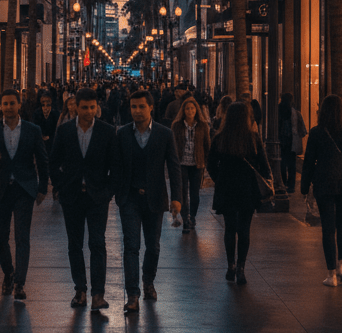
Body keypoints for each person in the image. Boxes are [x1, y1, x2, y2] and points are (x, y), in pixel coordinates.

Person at [49, 88, 119, 310]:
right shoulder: (65, 131)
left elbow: (115, 166)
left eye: (92, 107)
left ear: (97, 107)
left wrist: (108, 192)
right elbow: (54, 162)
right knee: (74, 244)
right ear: (75, 107)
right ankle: (80, 289)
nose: (89, 111)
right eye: (84, 107)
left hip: (97, 196)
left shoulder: (108, 132)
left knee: (97, 243)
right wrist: (61, 186)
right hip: (72, 196)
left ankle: (98, 293)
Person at [115, 90, 181, 313]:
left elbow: (174, 167)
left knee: (153, 246)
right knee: (131, 246)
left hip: (155, 198)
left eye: (141, 107)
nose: (137, 111)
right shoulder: (122, 134)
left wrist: (177, 198)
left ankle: (148, 281)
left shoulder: (164, 134)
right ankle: (132, 293)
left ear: (151, 107)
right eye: (133, 107)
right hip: (130, 198)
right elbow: (115, 166)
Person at [0, 89, 49, 300]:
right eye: (5, 104)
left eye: (12, 103)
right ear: (0, 106)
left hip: (23, 190)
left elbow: (43, 160)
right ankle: (8, 272)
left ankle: (20, 282)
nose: (8, 107)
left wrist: (42, 188)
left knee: (22, 237)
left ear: (19, 105)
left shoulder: (32, 130)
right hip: (0, 190)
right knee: (0, 238)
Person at [301, 95, 342, 287]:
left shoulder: (316, 133)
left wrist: (304, 187)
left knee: (328, 228)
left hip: (324, 183)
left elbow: (309, 163)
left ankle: (331, 275)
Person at [206, 102, 272, 286]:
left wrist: (219, 178)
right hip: (247, 189)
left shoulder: (220, 138)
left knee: (229, 228)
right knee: (244, 229)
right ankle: (241, 268)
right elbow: (264, 166)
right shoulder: (253, 138)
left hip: (226, 188)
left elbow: (210, 164)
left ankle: (231, 265)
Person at [172, 97, 211, 233]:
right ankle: (185, 219)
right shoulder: (177, 126)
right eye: (187, 108)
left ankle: (192, 217)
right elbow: (173, 145)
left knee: (195, 193)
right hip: (181, 164)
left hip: (197, 164)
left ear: (196, 110)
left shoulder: (202, 125)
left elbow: (207, 145)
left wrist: (206, 162)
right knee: (182, 193)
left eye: (192, 108)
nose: (190, 111)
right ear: (184, 110)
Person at [278, 93, 307, 193]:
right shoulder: (296, 113)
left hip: (281, 143)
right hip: (291, 143)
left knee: (282, 163)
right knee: (291, 165)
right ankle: (291, 186)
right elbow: (303, 130)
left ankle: (283, 183)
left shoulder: (278, 112)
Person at [32, 90, 60, 156]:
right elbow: (34, 126)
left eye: (47, 103)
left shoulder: (55, 113)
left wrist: (50, 137)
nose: (45, 106)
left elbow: (57, 128)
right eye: (43, 103)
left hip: (52, 143)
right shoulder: (37, 113)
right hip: (40, 143)